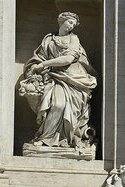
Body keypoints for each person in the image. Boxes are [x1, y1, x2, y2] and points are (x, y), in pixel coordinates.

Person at [20, 12, 97, 150]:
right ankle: (46, 139)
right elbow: (39, 57)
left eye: (74, 24)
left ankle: (66, 140)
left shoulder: (74, 39)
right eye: (70, 22)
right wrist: (36, 67)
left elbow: (68, 59)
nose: (72, 25)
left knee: (62, 106)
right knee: (56, 105)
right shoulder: (49, 39)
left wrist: (44, 65)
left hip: (73, 79)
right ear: (61, 21)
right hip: (53, 77)